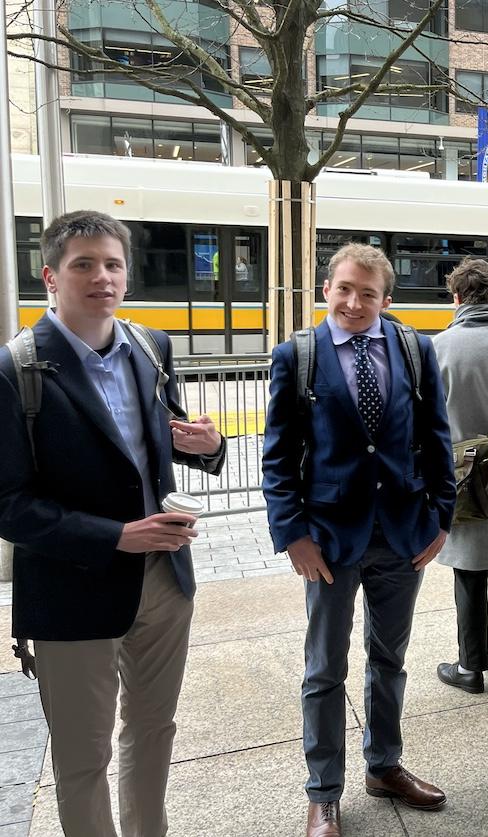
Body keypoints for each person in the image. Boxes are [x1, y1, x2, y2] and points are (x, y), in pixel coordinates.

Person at [0, 210, 226, 837]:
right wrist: (116, 536)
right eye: (83, 265)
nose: (102, 277)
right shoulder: (15, 369)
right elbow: (9, 506)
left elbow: (165, 445)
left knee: (154, 731)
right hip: (73, 590)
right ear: (50, 275)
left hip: (165, 579)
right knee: (82, 757)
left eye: (113, 264)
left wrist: (206, 447)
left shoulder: (152, 347)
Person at [261, 243, 456, 837]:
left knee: (389, 661)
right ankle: (323, 792)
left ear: (385, 300)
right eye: (344, 289)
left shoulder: (415, 349)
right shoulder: (298, 356)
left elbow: (438, 438)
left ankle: (384, 764)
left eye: (368, 293)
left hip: (402, 537)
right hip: (328, 540)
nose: (354, 301)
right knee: (325, 668)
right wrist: (292, 533)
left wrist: (441, 517)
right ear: (327, 289)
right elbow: (278, 457)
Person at [431, 258, 488, 694]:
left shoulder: (440, 347)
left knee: (468, 572)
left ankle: (470, 666)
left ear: (457, 298)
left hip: (461, 475)